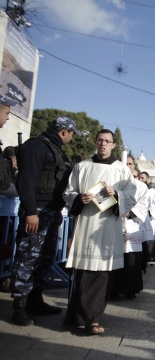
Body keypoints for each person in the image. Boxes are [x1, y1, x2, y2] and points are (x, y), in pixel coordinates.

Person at [63, 129, 138, 335]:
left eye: (108, 141)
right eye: (100, 140)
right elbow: (68, 193)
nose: (103, 144)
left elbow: (131, 196)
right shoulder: (82, 166)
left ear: (114, 145)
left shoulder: (121, 170)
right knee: (82, 272)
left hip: (107, 225)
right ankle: (75, 314)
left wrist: (117, 194)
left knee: (102, 274)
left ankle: (93, 320)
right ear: (95, 142)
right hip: (86, 223)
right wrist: (79, 199)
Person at [10, 116, 80, 326]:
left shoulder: (55, 149)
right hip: (37, 212)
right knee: (27, 257)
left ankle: (35, 299)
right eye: (72, 133)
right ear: (64, 131)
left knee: (45, 257)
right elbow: (26, 180)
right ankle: (19, 306)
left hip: (51, 212)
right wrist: (31, 211)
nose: (72, 137)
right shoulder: (37, 147)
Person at [111, 168, 149, 300]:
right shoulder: (115, 182)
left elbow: (144, 204)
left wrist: (128, 212)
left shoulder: (141, 187)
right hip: (115, 223)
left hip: (132, 226)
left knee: (131, 260)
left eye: (130, 165)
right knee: (115, 259)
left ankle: (130, 289)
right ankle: (113, 290)